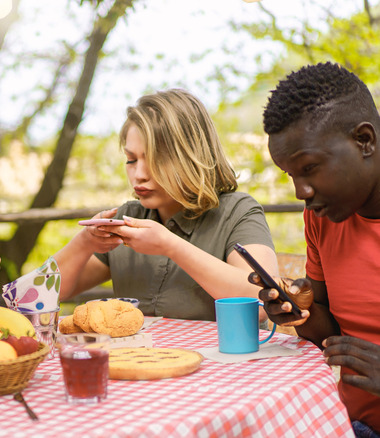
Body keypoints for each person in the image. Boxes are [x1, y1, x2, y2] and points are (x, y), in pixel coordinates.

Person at [55, 89, 278, 321]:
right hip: (138, 357)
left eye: (155, 159)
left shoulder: (237, 212)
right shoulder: (127, 219)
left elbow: (261, 303)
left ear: (191, 156)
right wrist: (83, 242)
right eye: (131, 160)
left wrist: (169, 245)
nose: (138, 174)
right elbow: (34, 298)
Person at [256, 62, 380, 437]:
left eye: (309, 168)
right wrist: (298, 313)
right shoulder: (323, 218)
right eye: (291, 175)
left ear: (364, 141)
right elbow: (330, 329)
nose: (301, 192)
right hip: (349, 424)